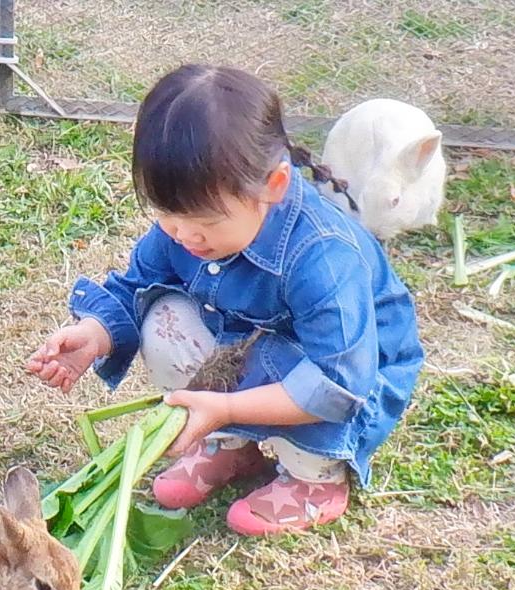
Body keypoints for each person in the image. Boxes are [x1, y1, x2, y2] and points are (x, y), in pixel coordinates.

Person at [27, 64, 424, 536]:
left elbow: (337, 385)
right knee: (164, 318)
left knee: (297, 371)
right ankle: (231, 447)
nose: (184, 234)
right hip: (254, 352)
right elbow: (138, 283)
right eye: (169, 215)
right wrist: (95, 335)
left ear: (272, 186)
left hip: (344, 377)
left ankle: (316, 478)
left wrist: (230, 406)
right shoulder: (185, 231)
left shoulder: (324, 256)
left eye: (205, 221)